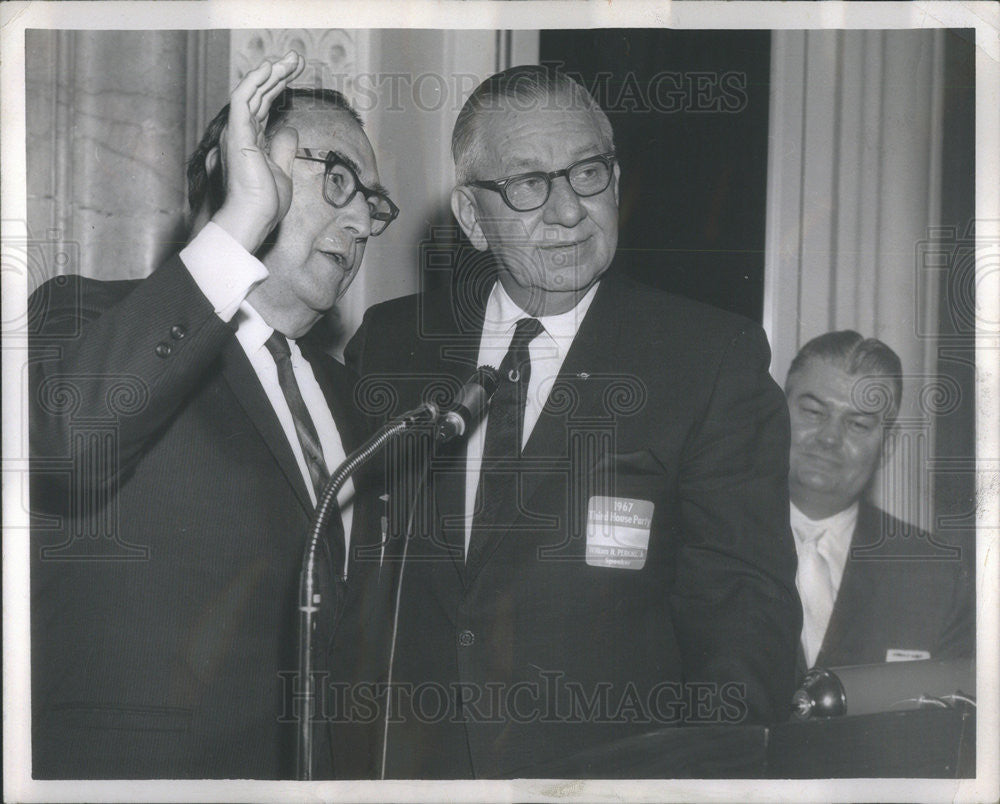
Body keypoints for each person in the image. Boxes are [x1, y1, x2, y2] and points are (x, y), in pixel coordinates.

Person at [343, 65, 800, 779]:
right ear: (470, 215)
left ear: (615, 185)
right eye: (528, 184)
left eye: (588, 173)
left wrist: (694, 780)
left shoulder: (706, 361)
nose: (568, 212)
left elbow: (747, 618)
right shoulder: (391, 347)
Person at [29, 52, 397, 779]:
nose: (360, 220)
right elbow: (73, 442)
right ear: (240, 167)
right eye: (338, 179)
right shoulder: (91, 317)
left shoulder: (360, 403)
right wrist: (240, 224)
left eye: (373, 202)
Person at [785, 331, 974, 672]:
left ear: (887, 446)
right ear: (775, 416)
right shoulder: (706, 543)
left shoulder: (937, 576)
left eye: (857, 424)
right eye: (813, 412)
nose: (829, 437)